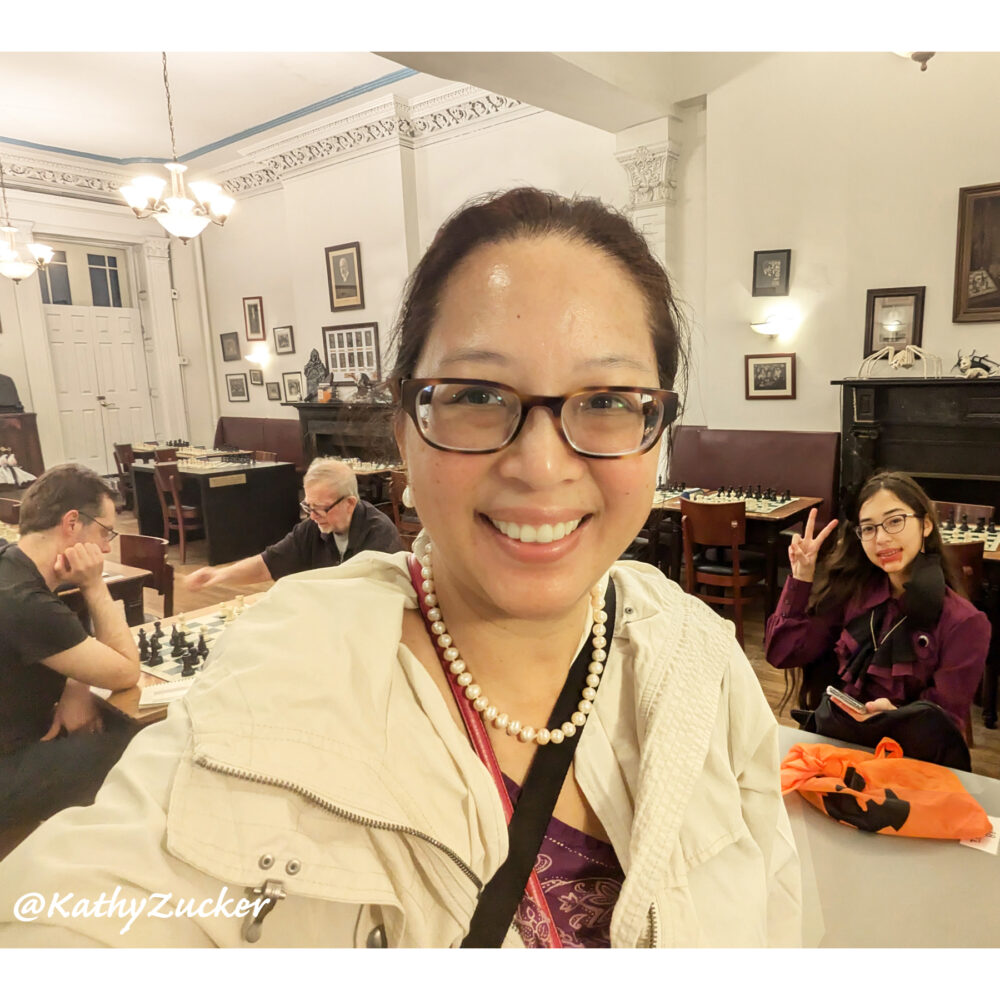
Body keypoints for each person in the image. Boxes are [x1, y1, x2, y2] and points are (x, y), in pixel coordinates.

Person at [0, 188, 800, 947]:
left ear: (656, 430)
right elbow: (89, 909)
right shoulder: (285, 676)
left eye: (609, 399)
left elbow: (782, 909)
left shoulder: (701, 659)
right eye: (478, 394)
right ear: (405, 429)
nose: (541, 464)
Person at [765, 470, 990, 751]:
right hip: (839, 747)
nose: (881, 538)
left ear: (927, 525)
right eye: (869, 528)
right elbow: (781, 652)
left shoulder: (965, 622)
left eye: (895, 521)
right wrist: (801, 578)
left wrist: (895, 718)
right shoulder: (853, 593)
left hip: (909, 760)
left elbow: (944, 722)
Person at [0, 464, 139, 831]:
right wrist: (94, 585)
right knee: (138, 743)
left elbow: (55, 642)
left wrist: (75, 686)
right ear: (72, 523)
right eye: (106, 531)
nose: (108, 547)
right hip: (8, 769)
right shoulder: (25, 603)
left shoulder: (10, 563)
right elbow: (126, 671)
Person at [184, 458, 404, 592]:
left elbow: (368, 599)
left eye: (321, 508)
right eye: (309, 506)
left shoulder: (379, 535)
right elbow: (267, 565)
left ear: (349, 503)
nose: (313, 516)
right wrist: (217, 575)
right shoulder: (313, 527)